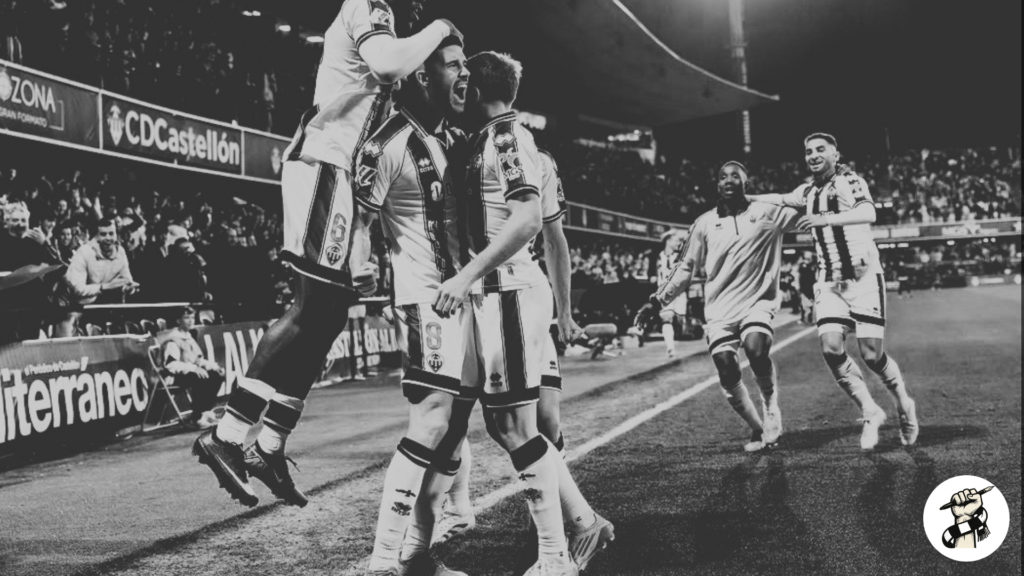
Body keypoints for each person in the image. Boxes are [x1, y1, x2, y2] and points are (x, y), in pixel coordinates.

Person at [192, 0, 464, 510]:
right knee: (308, 307)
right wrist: (443, 28)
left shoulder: (397, 31)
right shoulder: (368, 6)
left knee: (330, 313)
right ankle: (226, 435)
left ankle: (269, 443)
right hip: (322, 163)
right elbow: (386, 64)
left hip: (339, 175)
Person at [429, 51, 580, 576]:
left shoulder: (508, 140)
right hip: (499, 296)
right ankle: (578, 525)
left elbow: (531, 221)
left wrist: (465, 275)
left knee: (517, 427)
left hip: (508, 291)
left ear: (473, 88)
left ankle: (556, 557)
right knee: (506, 424)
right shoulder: (487, 140)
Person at [436, 147, 614, 572]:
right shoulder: (456, 146)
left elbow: (553, 237)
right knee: (480, 423)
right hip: (480, 301)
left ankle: (570, 527)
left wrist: (565, 313)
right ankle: (578, 520)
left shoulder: (532, 158)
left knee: (537, 426)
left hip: (515, 298)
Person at [352, 35, 472, 576]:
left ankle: (418, 556)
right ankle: (383, 560)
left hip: (470, 299)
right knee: (430, 420)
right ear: (422, 76)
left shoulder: (453, 137)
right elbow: (358, 222)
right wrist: (356, 278)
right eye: (452, 65)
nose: (464, 74)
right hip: (429, 301)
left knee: (455, 427)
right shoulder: (388, 143)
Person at [751, 133, 919, 449]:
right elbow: (781, 197)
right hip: (829, 281)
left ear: (835, 154)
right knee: (830, 348)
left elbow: (869, 213)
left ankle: (903, 404)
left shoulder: (850, 181)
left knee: (871, 355)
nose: (813, 155)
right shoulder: (807, 191)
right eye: (808, 151)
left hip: (864, 278)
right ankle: (870, 412)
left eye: (820, 150)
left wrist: (823, 218)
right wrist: (745, 198)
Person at [636, 162, 801, 452]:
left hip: (757, 303)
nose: (728, 179)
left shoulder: (768, 212)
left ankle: (771, 407)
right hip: (720, 310)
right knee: (726, 368)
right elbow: (685, 267)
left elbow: (801, 202)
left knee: (756, 349)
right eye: (722, 176)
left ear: (746, 183)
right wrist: (656, 301)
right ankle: (757, 428)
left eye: (735, 175)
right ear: (717, 186)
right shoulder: (703, 223)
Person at [60, 218, 139, 336]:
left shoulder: (121, 251)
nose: (108, 238)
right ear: (96, 236)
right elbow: (77, 289)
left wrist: (130, 288)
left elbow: (127, 279)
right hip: (81, 307)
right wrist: (104, 287)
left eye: (111, 234)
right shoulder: (84, 252)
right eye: (103, 234)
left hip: (109, 305)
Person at [162, 306, 225, 429]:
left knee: (216, 375)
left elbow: (197, 360)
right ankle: (197, 417)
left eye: (192, 317)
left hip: (189, 373)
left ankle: (205, 412)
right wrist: (194, 369)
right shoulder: (173, 340)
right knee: (201, 377)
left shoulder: (189, 337)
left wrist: (213, 366)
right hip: (174, 377)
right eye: (186, 318)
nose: (191, 321)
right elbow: (171, 365)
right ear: (178, 321)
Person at [655, 230, 688, 358]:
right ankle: (670, 348)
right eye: (675, 241)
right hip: (664, 292)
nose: (677, 243)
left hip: (678, 292)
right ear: (668, 241)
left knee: (679, 319)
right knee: (666, 318)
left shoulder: (681, 256)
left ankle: (678, 326)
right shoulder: (657, 256)